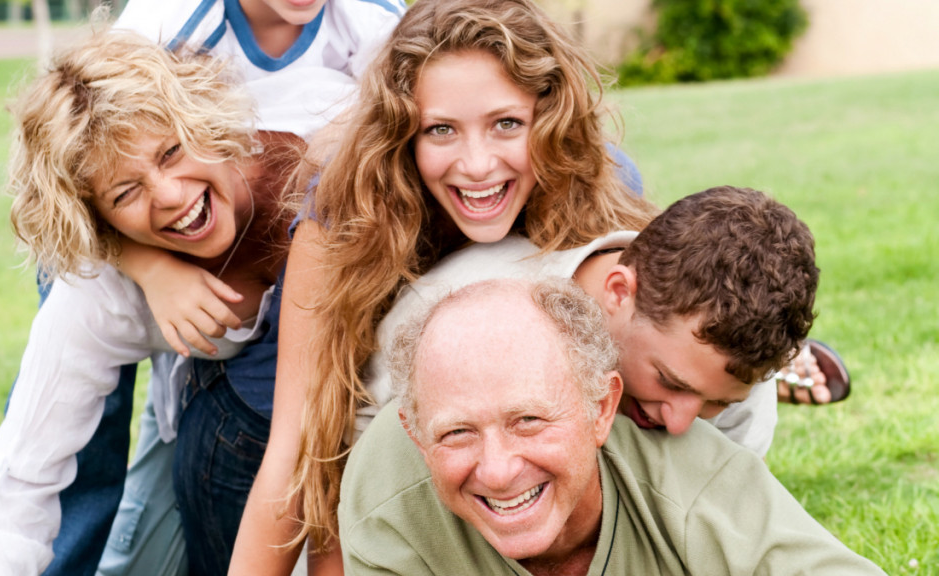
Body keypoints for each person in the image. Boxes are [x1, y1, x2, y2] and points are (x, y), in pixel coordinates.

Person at [227, 0, 657, 573]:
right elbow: (305, 452)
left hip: (458, 441)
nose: (477, 165)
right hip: (247, 420)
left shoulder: (596, 181)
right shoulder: (345, 216)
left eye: (507, 123)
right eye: (441, 130)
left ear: (547, 118)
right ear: (403, 133)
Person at [19, 2, 405, 575]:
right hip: (193, 329)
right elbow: (70, 167)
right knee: (74, 302)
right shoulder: (168, 22)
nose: (169, 190)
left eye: (174, 153)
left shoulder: (371, 24)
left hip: (290, 296)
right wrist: (149, 268)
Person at [0, 31, 299, 576]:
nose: (168, 194)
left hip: (306, 416)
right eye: (124, 193)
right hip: (206, 422)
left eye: (171, 151)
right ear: (99, 224)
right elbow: (22, 475)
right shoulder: (102, 290)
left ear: (203, 121)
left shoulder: (300, 185)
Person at [339, 278, 886, 575]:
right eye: (457, 432)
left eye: (528, 421)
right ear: (415, 434)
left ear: (602, 410)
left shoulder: (692, 481)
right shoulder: (387, 500)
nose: (499, 470)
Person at [361, 186, 818, 458]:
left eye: (714, 404)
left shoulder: (743, 378)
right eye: (669, 382)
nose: (682, 423)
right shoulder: (453, 310)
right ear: (620, 292)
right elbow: (371, 459)